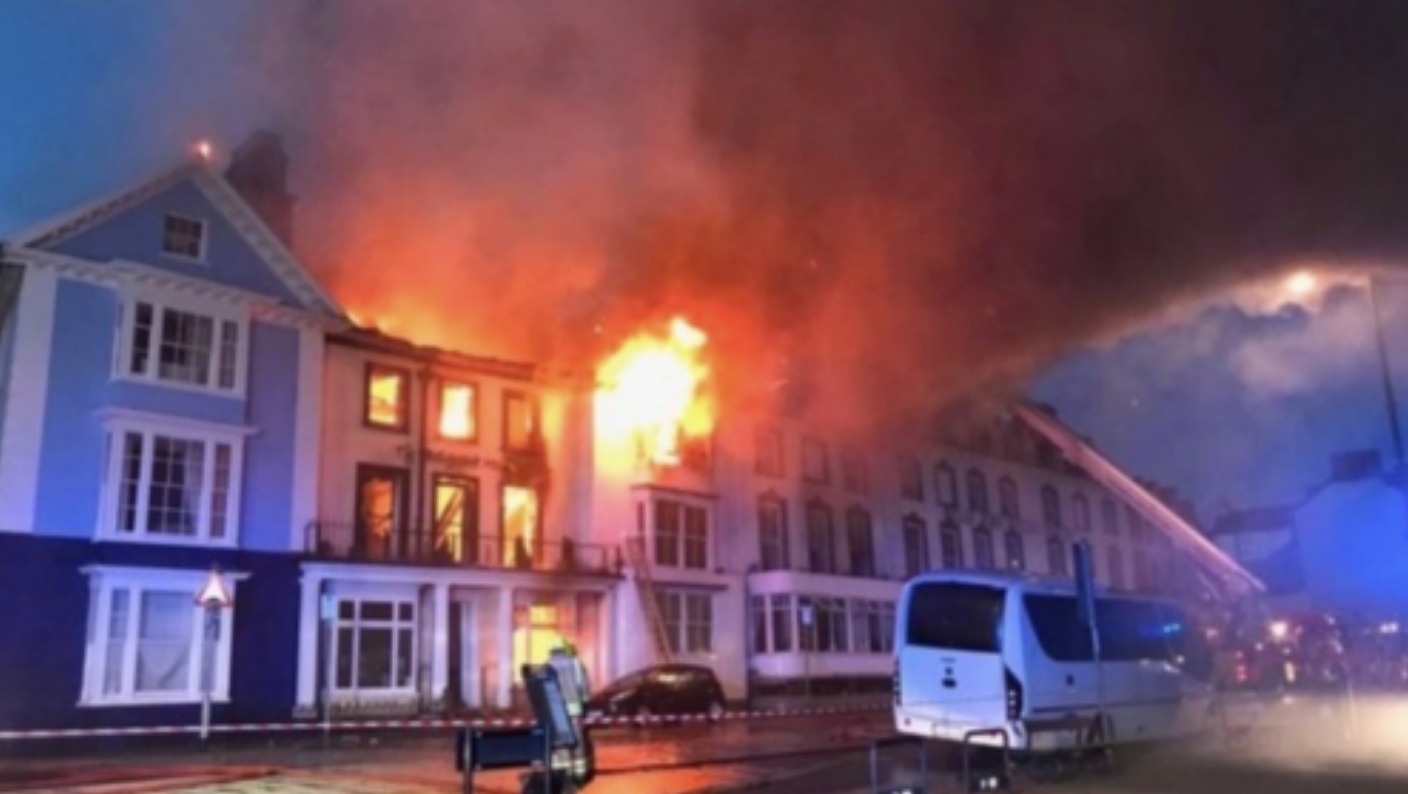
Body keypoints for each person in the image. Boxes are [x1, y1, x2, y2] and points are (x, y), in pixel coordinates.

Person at [547, 641, 594, 785]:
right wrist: (585, 703)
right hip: (574, 711)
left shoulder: (547, 666)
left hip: (556, 712)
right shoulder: (576, 664)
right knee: (577, 741)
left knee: (560, 742)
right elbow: (582, 687)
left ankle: (562, 774)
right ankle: (579, 773)